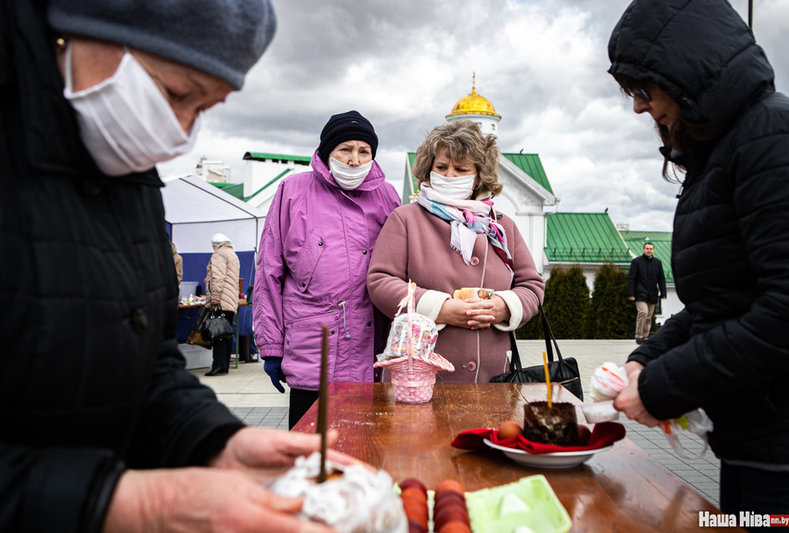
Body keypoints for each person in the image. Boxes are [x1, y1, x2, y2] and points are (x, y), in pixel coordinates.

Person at [0, 1, 357, 531]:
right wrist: (126, 502)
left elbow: (146, 366)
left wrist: (215, 439)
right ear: (83, 26)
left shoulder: (125, 168)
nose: (181, 132)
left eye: (206, 108)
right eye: (176, 93)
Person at [608, 0, 789, 519]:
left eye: (643, 90)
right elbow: (722, 301)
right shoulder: (725, 151)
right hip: (752, 446)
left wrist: (662, 388)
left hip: (786, 460)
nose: (638, 109)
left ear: (687, 69)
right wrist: (649, 357)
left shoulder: (774, 138)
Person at [253, 110, 401, 428]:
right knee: (309, 457)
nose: (354, 159)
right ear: (326, 152)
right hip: (313, 351)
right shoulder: (292, 191)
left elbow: (401, 263)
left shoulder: (387, 195)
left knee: (367, 457)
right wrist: (271, 345)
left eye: (364, 151)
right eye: (345, 149)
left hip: (372, 349)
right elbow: (269, 272)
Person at [367, 120, 544, 382]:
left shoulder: (502, 225)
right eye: (441, 167)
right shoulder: (405, 219)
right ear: (429, 169)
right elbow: (381, 281)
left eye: (460, 169)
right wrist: (440, 308)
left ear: (477, 177)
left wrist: (503, 307)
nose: (449, 175)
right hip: (418, 376)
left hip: (492, 379)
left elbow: (532, 286)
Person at [204, 233, 241, 376]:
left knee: (218, 334)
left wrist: (215, 296)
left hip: (221, 301)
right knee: (225, 334)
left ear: (215, 245)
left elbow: (218, 276)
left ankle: (218, 366)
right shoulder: (232, 254)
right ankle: (224, 366)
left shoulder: (219, 254)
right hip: (230, 300)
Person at [626, 242, 666, 344]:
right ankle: (638, 335)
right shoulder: (636, 262)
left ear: (653, 250)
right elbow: (631, 278)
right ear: (643, 250)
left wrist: (663, 293)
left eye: (651, 249)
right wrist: (631, 293)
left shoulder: (658, 263)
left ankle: (645, 337)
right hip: (639, 294)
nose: (649, 250)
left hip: (652, 294)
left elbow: (661, 279)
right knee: (643, 312)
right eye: (647, 249)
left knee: (649, 317)